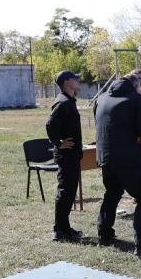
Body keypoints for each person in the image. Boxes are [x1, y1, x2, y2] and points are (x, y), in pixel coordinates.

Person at [94, 71, 141, 257]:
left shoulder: (101, 98)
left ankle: (104, 234)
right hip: (128, 157)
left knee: (112, 193)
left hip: (105, 156)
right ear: (136, 85)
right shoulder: (137, 100)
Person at [45, 70, 83, 242]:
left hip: (72, 155)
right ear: (67, 82)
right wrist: (58, 142)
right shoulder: (63, 103)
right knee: (65, 192)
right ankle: (60, 231)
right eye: (75, 78)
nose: (78, 81)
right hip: (66, 155)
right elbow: (50, 124)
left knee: (69, 192)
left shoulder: (68, 101)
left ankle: (65, 228)